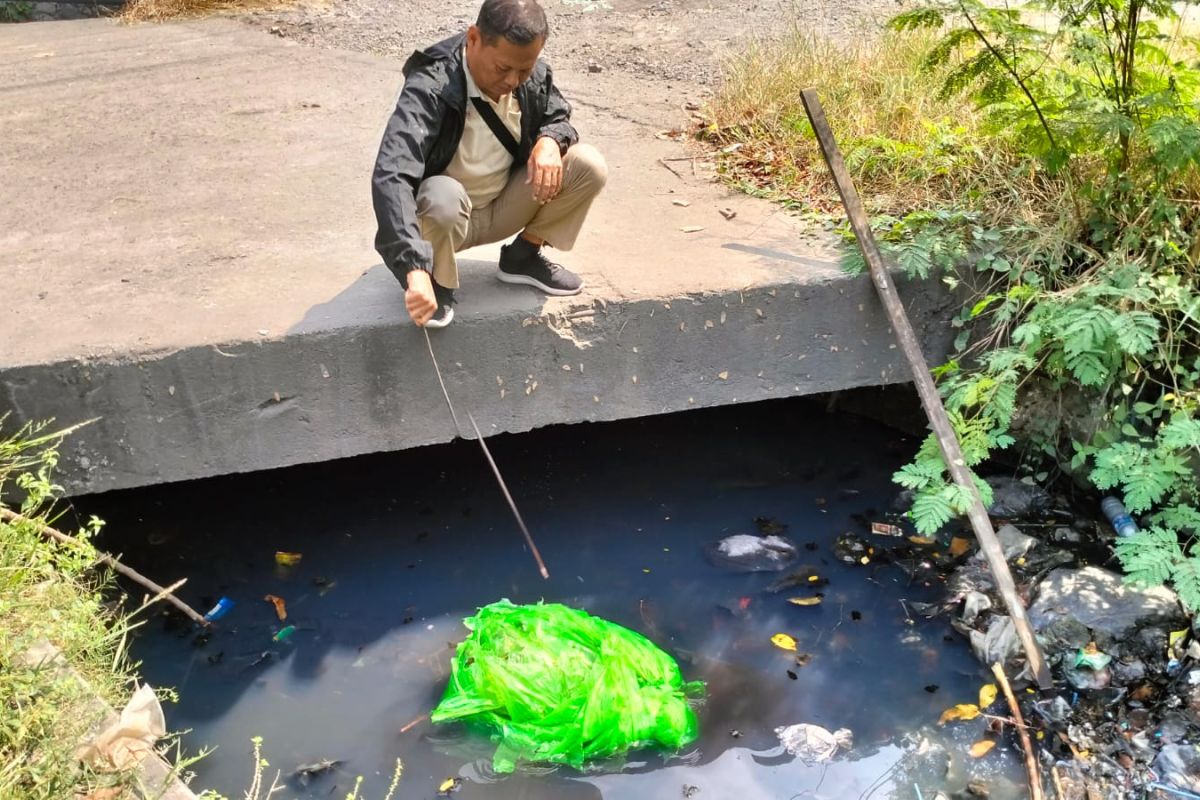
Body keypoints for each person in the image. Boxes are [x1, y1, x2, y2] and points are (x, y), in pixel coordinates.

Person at [372, 0, 608, 329]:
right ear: (473, 39)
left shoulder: (531, 73)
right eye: (502, 69)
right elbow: (392, 174)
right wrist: (413, 268)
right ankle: (434, 279)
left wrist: (550, 140)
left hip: (503, 207)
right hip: (444, 220)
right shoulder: (432, 84)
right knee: (443, 196)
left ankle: (522, 257)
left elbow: (558, 116)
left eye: (524, 70)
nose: (513, 80)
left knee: (587, 165)